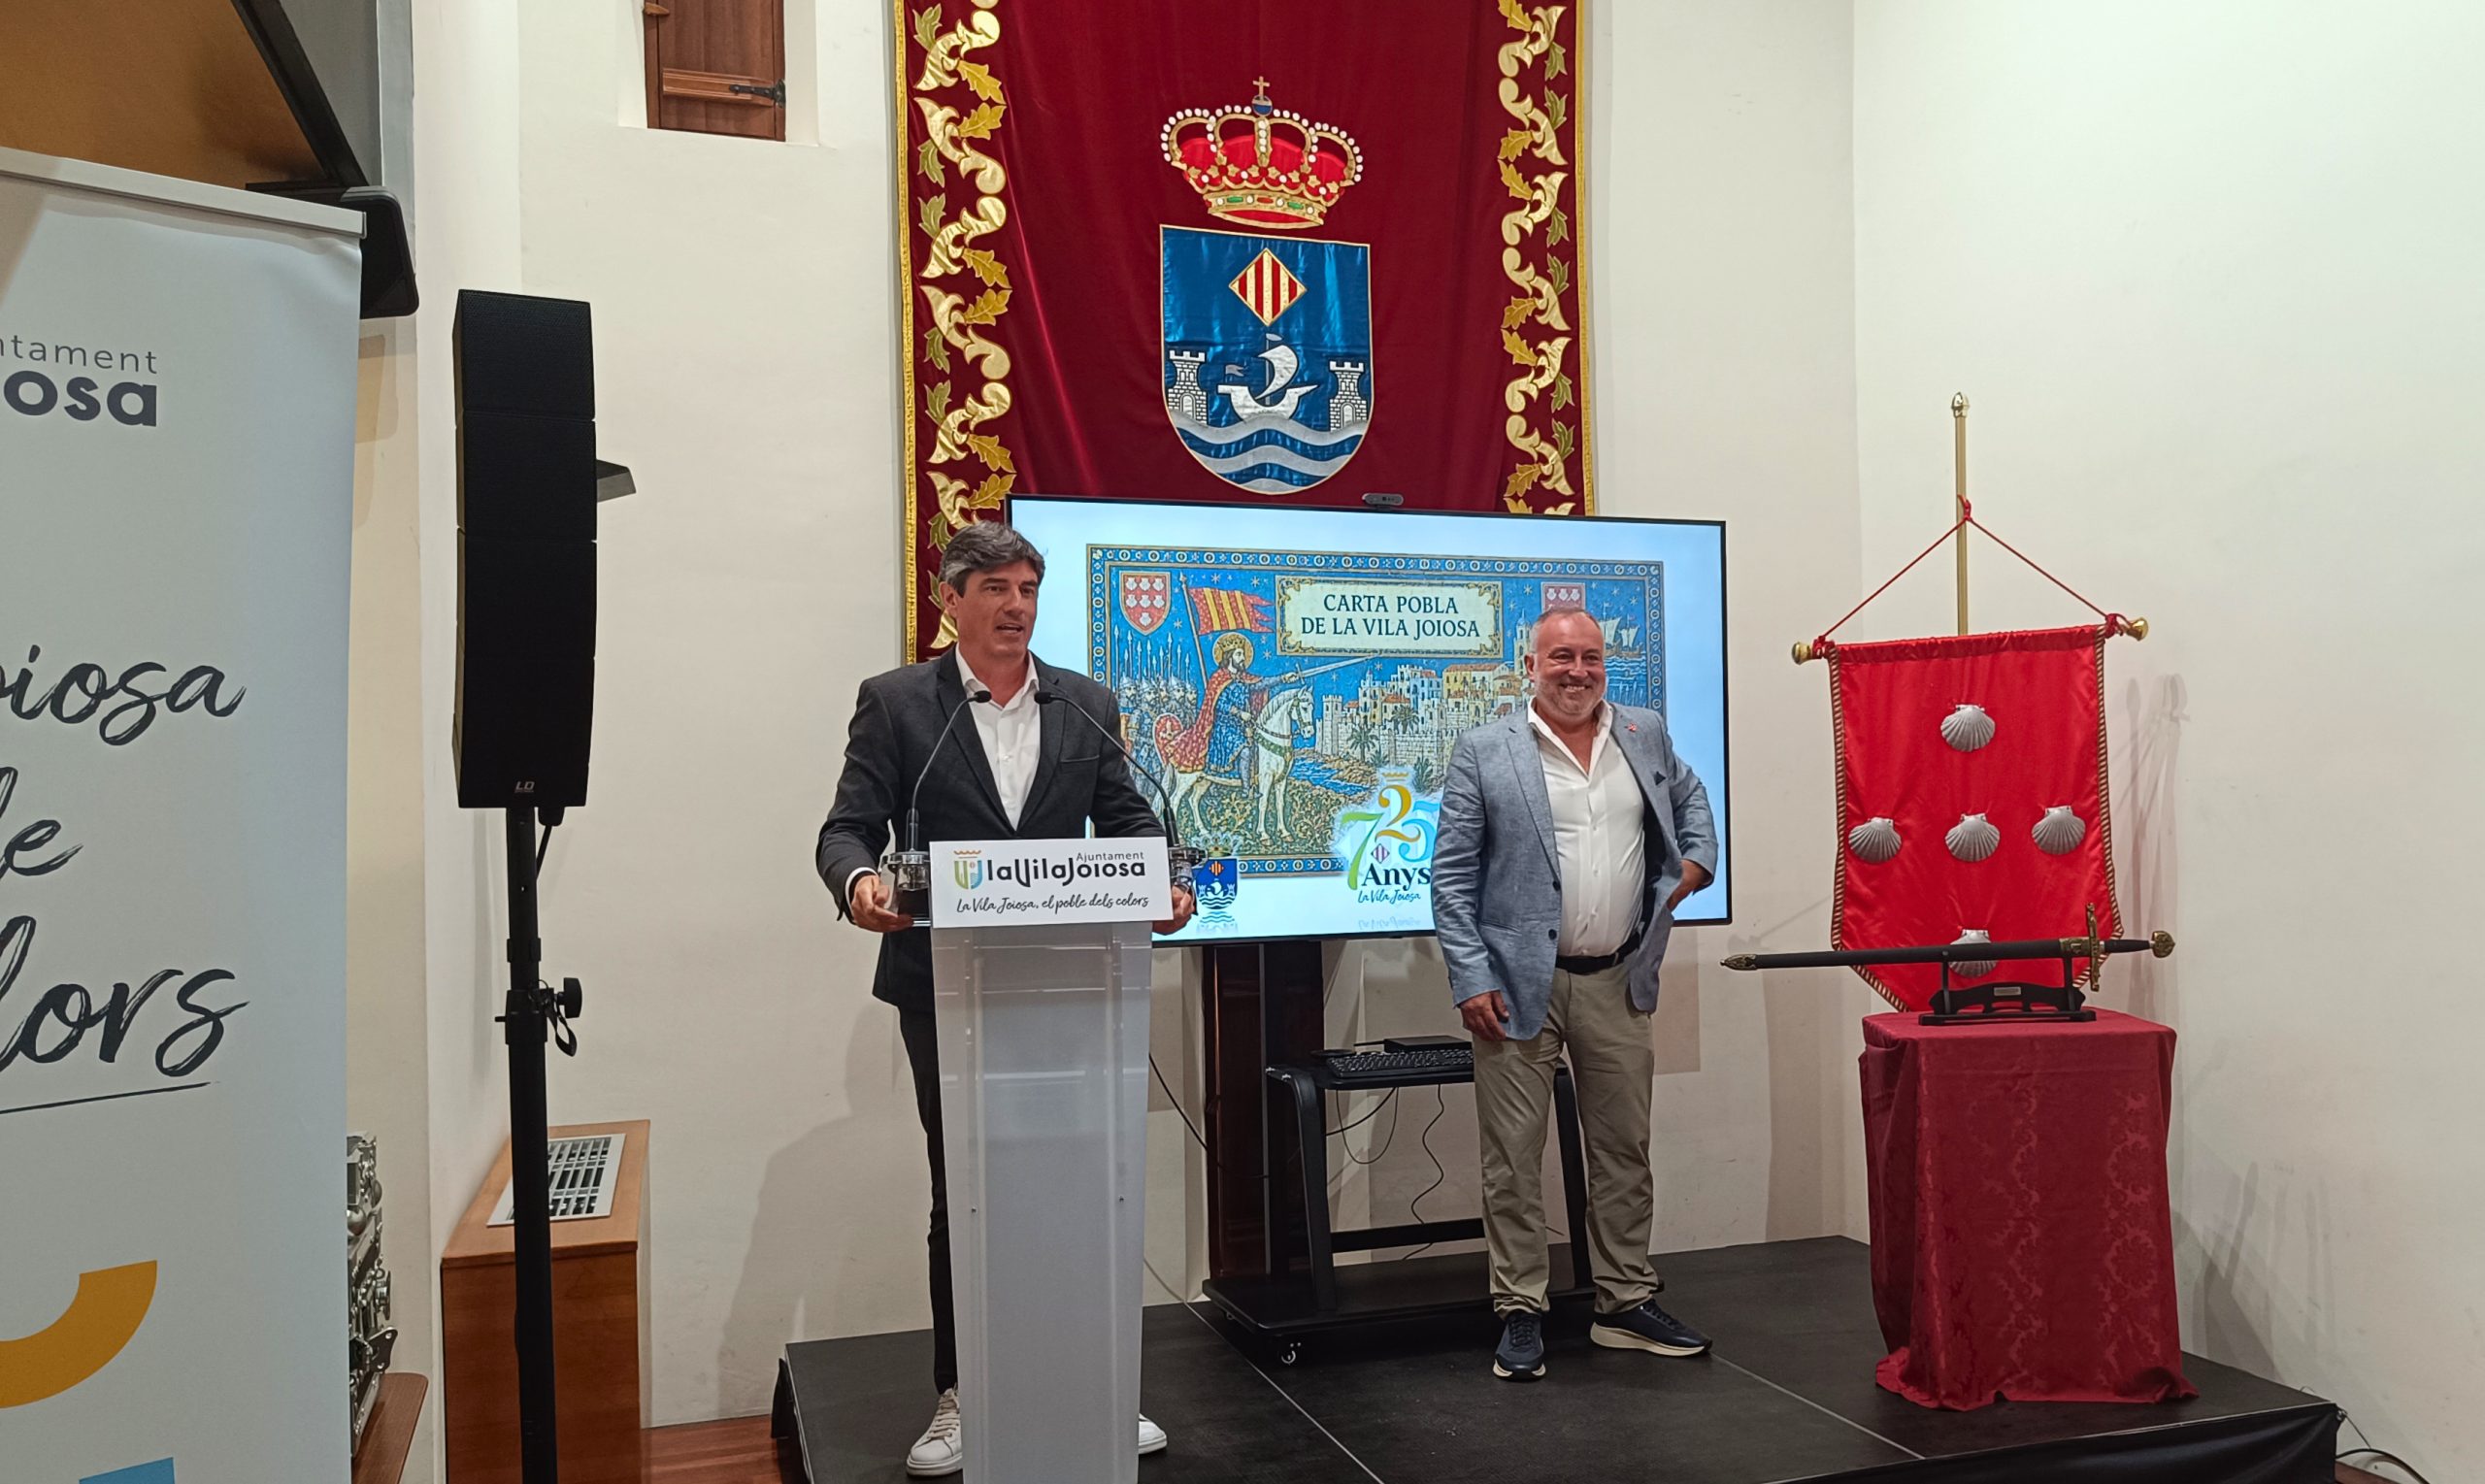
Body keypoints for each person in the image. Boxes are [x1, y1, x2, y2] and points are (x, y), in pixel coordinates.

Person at [814, 521, 1195, 1474]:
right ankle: (964, 1391)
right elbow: (847, 828)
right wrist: (860, 883)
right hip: (944, 989)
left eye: (1026, 587)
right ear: (950, 600)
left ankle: (1089, 1384)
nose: (1014, 605)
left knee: (1077, 1180)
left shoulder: (1084, 704)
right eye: (993, 587)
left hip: (1068, 983)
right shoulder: (900, 704)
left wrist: (1168, 881)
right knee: (969, 1188)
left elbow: (1129, 820)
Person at [1429, 604, 1718, 1382]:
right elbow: (1450, 880)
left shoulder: (1644, 733)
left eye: (1590, 657)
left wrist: (1694, 865)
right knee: (1512, 1159)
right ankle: (1521, 1307)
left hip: (1618, 978)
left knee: (1623, 1150)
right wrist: (1471, 975)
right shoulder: (1485, 749)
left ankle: (1623, 1302)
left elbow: (1691, 801)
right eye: (1561, 657)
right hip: (1514, 988)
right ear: (1531, 666)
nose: (1577, 671)